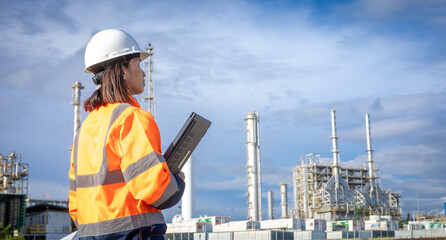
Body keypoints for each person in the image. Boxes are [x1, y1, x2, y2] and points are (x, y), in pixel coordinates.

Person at [68, 29, 185, 240]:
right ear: (122, 70)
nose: (143, 73)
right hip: (134, 234)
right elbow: (155, 189)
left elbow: (75, 204)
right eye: (138, 64)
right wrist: (178, 181)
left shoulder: (83, 130)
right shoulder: (131, 117)